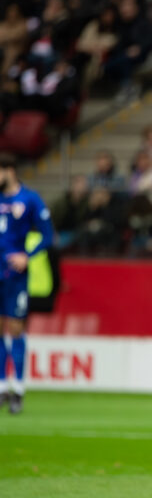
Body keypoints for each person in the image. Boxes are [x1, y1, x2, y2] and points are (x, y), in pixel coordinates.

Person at [0, 154, 54, 414]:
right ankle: (1, 387)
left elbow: (48, 235)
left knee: (17, 328)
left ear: (9, 171)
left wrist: (27, 256)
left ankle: (18, 389)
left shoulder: (30, 199)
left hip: (16, 276)